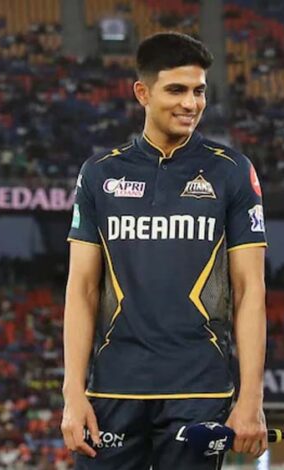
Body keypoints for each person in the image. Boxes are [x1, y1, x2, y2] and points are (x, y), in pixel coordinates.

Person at [60, 32, 268, 469]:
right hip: (113, 388)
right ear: (143, 92)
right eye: (176, 90)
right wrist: (72, 392)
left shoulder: (232, 171)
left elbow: (250, 290)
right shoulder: (99, 174)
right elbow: (82, 289)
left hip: (199, 390)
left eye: (199, 91)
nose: (190, 103)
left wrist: (251, 399)